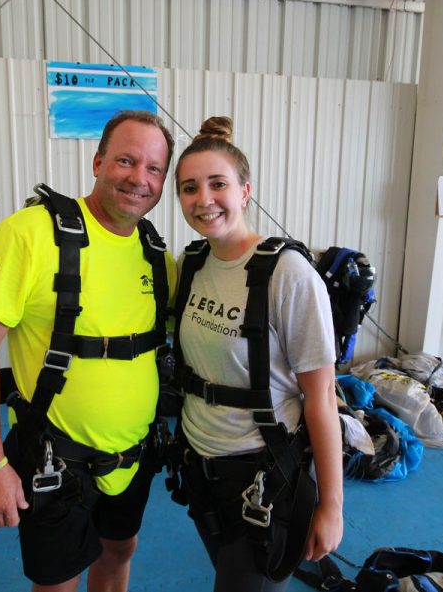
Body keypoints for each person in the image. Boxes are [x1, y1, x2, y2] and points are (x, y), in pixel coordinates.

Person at [0, 110, 176, 592]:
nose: (139, 178)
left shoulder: (157, 254)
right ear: (97, 162)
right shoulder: (30, 233)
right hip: (54, 457)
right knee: (57, 582)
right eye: (125, 160)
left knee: (120, 551)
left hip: (134, 456)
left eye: (154, 168)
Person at [169, 116, 343, 591]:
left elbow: (322, 397)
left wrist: (331, 505)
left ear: (245, 191)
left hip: (262, 474)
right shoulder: (192, 265)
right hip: (202, 467)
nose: (203, 200)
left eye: (217, 184)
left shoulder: (288, 274)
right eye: (189, 188)